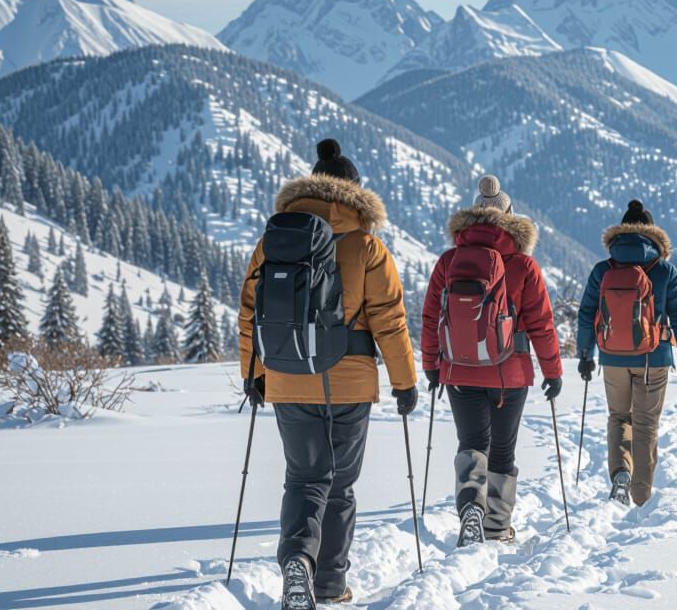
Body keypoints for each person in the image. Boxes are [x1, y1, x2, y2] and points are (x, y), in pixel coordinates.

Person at [238, 139, 418, 609]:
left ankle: (297, 558)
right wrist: (405, 382)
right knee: (338, 484)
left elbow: (249, 313)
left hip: (286, 376)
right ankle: (330, 585)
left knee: (302, 479)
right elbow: (390, 320)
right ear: (354, 192)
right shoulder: (367, 246)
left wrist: (253, 375)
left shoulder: (273, 241)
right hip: (350, 380)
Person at [421, 175, 563, 547]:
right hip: (509, 374)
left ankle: (471, 508)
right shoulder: (524, 266)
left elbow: (431, 315)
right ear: (510, 219)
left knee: (471, 442)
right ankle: (497, 526)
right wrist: (553, 371)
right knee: (502, 449)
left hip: (459, 369)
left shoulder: (450, 260)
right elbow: (541, 324)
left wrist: (431, 364)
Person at [576, 200, 677, 506]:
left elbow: (587, 313)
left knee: (619, 417)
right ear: (653, 235)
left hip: (612, 358)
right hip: (653, 359)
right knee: (646, 424)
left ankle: (620, 475)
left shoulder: (603, 269)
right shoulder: (665, 270)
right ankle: (642, 496)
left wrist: (585, 354)